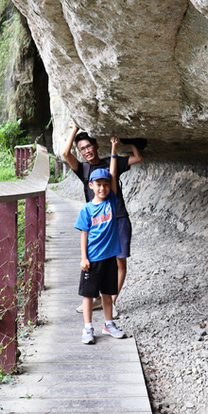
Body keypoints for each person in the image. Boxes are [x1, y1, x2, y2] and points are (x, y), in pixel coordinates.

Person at [62, 122, 144, 317]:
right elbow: (65, 154)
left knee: (120, 261)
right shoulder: (83, 169)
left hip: (118, 217)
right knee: (96, 261)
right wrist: (74, 129)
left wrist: (130, 142)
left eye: (89, 146)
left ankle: (112, 301)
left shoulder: (110, 162)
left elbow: (138, 158)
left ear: (96, 146)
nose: (87, 151)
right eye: (82, 149)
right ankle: (97, 299)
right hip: (97, 223)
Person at [74, 137, 127, 344]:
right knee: (88, 295)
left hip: (110, 257)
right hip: (93, 259)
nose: (103, 188)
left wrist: (114, 150)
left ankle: (108, 324)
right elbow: (84, 234)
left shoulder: (112, 202)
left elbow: (113, 175)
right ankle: (88, 328)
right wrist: (83, 258)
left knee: (107, 293)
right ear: (91, 186)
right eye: (98, 185)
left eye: (106, 185)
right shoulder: (87, 209)